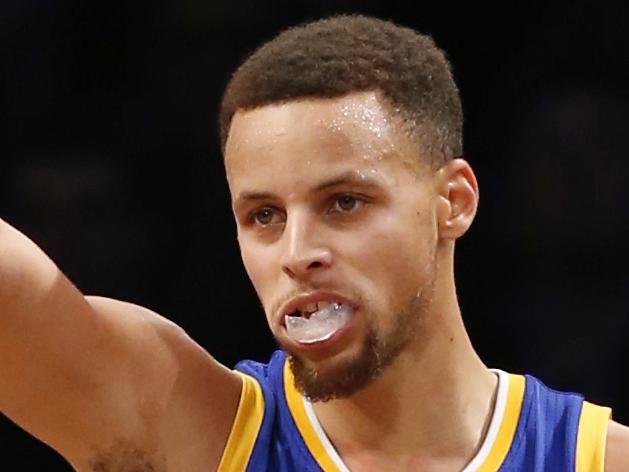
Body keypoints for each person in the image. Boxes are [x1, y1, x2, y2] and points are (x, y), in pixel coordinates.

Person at [0, 14, 627, 471]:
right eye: (264, 216)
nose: (297, 252)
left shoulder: (594, 458)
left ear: (453, 202)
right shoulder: (189, 433)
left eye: (344, 203)